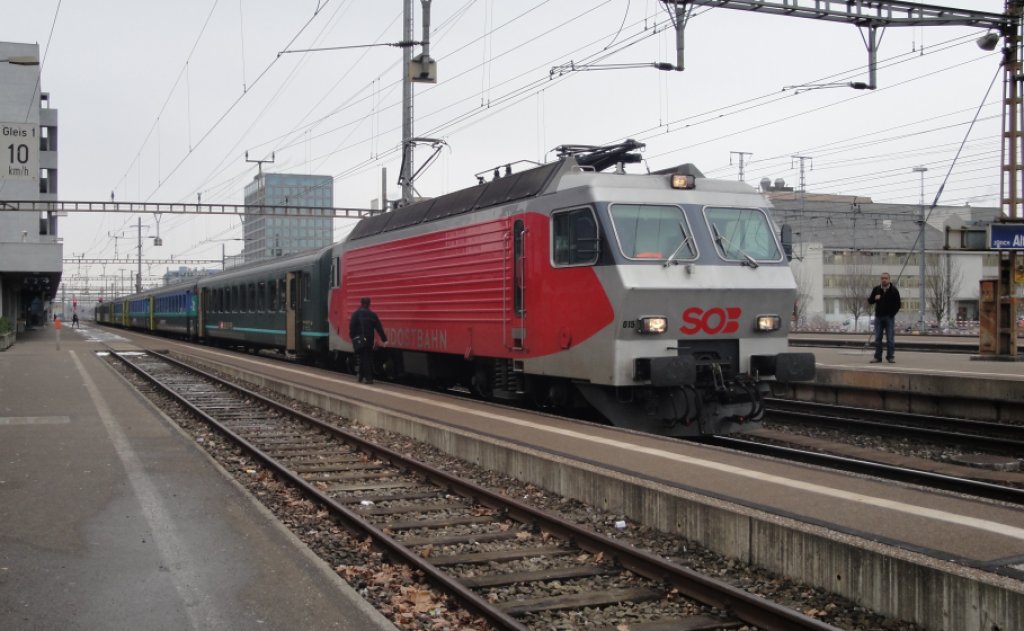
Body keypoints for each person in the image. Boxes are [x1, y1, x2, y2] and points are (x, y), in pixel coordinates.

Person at [348, 297, 387, 384]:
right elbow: (379, 328)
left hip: (360, 340)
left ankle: (369, 378)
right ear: (369, 304)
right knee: (366, 357)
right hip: (369, 340)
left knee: (364, 358)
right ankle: (360, 377)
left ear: (361, 303)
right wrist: (384, 339)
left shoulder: (356, 314)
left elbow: (352, 327)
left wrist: (352, 336)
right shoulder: (372, 315)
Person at [867, 272, 901, 364]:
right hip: (878, 317)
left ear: (889, 279)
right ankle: (877, 357)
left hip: (889, 318)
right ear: (880, 279)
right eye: (882, 278)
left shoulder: (894, 290)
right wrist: (875, 298)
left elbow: (898, 304)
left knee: (890, 338)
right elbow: (870, 301)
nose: (884, 280)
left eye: (886, 278)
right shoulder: (876, 289)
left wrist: (892, 314)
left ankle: (890, 357)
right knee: (878, 338)